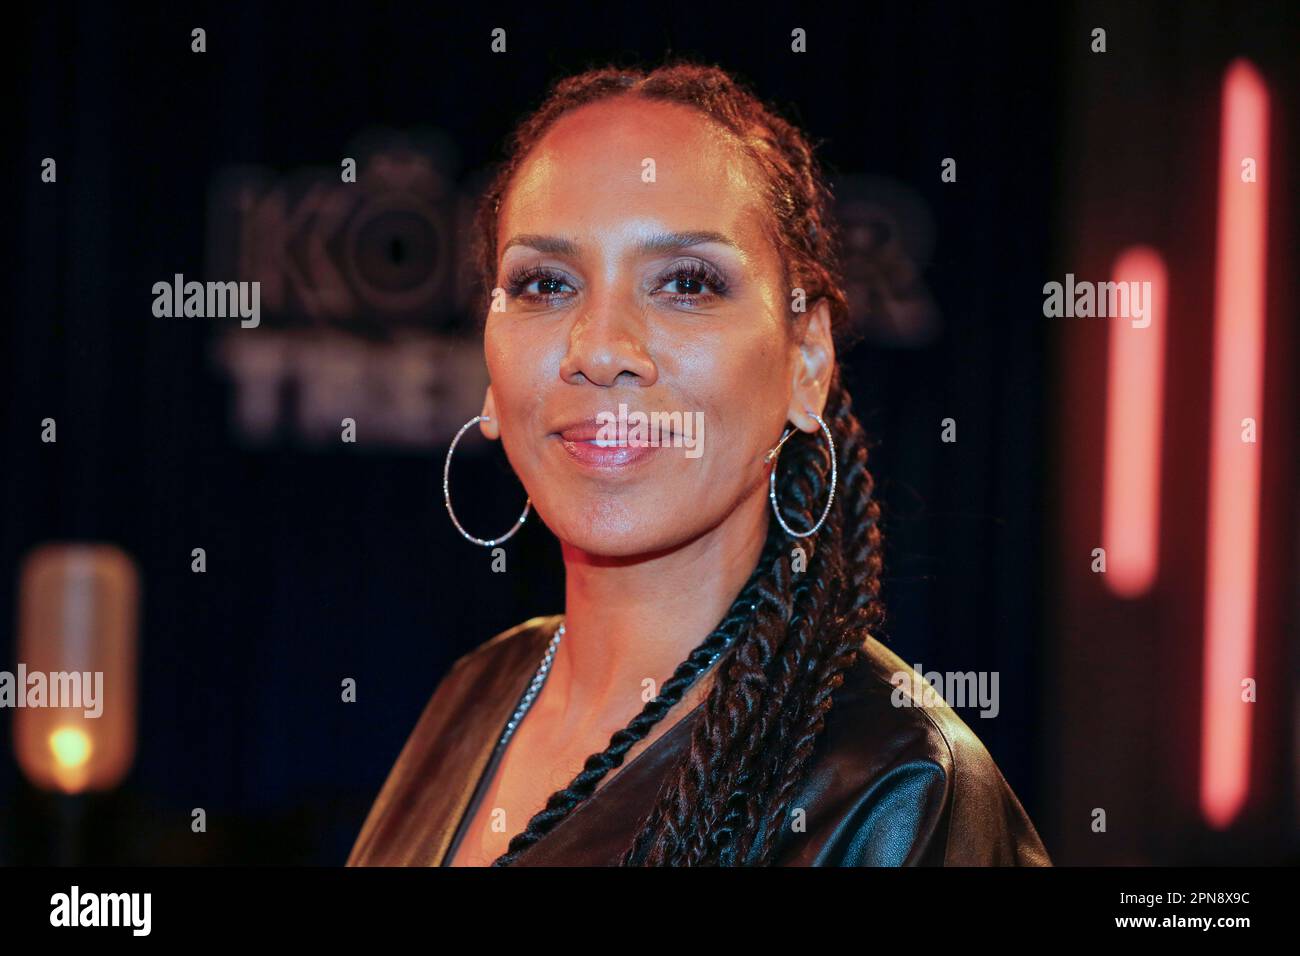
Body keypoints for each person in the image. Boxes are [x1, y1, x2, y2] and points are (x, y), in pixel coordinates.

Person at [347, 59, 1051, 867]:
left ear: (807, 362)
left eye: (686, 282)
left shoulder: (900, 784)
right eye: (544, 284)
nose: (602, 348)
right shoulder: (478, 692)